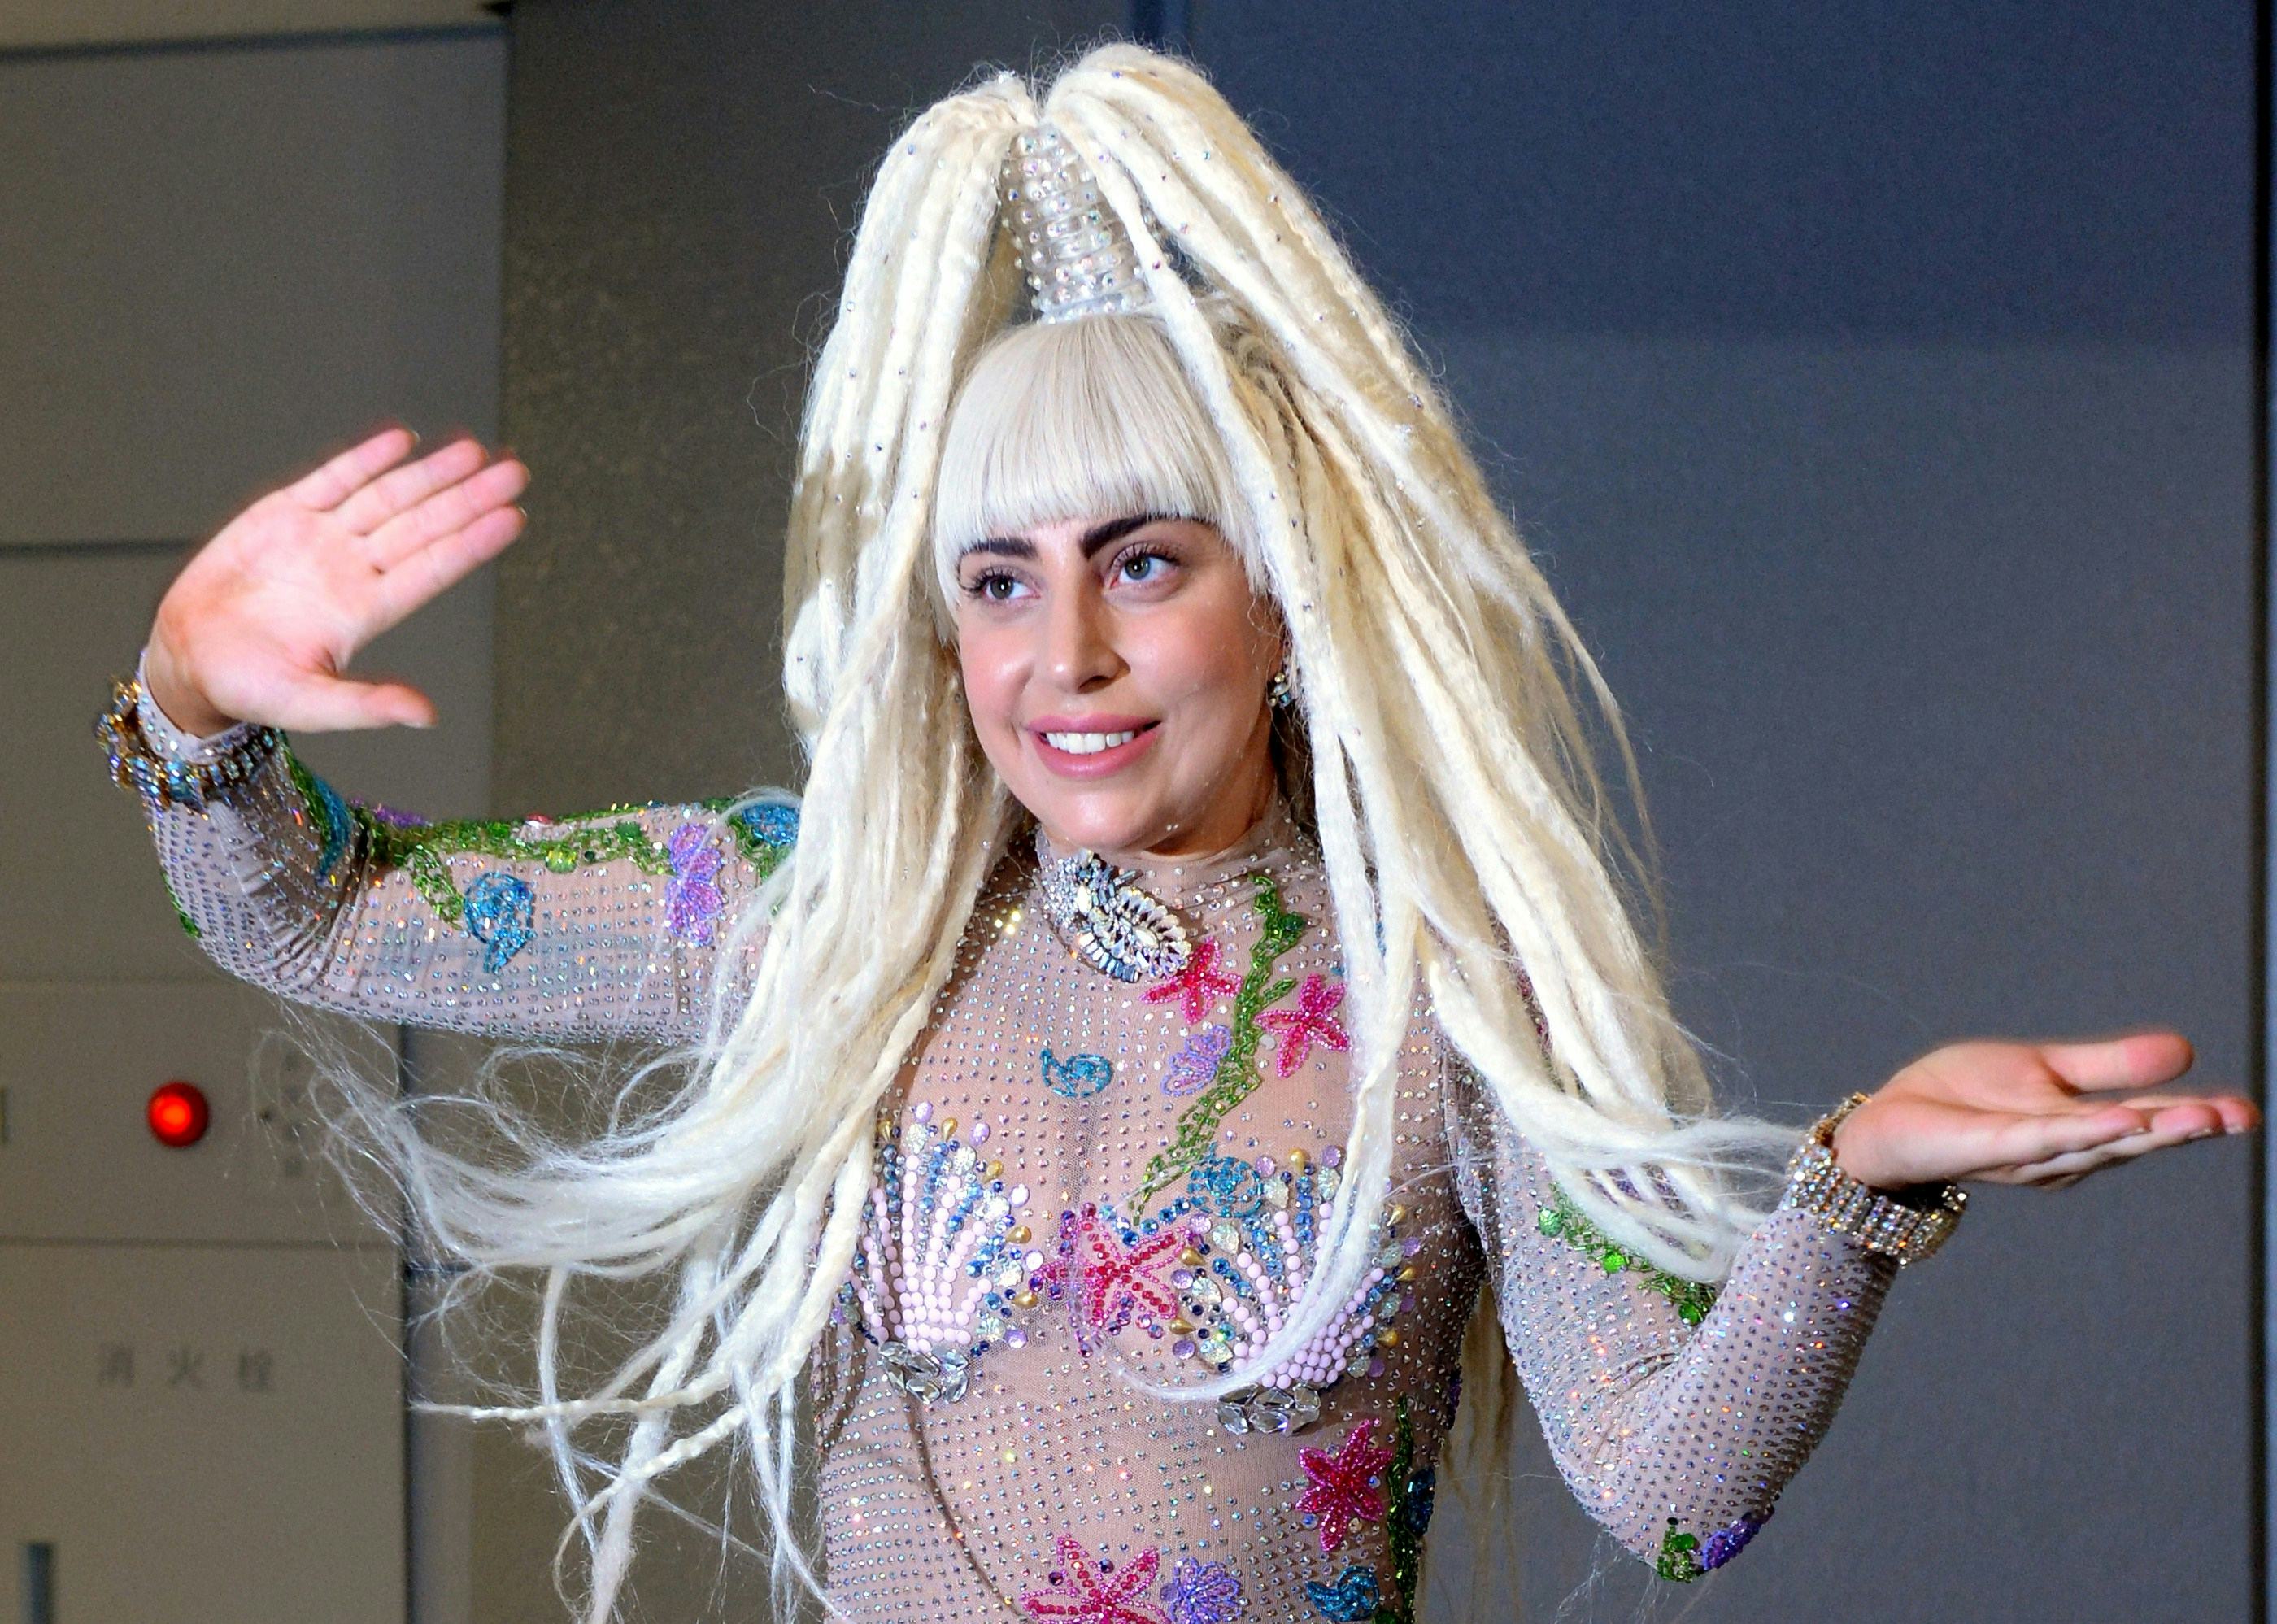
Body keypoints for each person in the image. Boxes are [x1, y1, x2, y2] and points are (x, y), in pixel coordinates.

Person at [95, 41, 2255, 1624]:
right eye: (998, 580)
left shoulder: (1441, 990)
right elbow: (323, 919)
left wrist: (1856, 1197)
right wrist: (192, 695)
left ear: (1281, 604)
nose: (1067, 654)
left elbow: (1673, 1497)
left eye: (1143, 563)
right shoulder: (829, 912)